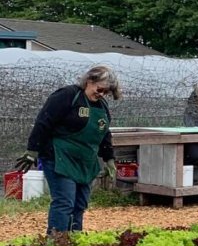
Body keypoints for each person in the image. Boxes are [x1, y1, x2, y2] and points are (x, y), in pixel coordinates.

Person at [16, 65, 121, 234]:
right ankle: (56, 243)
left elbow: (104, 133)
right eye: (100, 89)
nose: (101, 94)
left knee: (80, 204)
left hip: (85, 161)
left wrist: (109, 159)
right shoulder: (67, 96)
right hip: (59, 157)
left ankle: (74, 241)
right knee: (64, 202)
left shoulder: (102, 106)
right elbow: (44, 121)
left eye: (106, 92)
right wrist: (32, 151)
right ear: (89, 81)